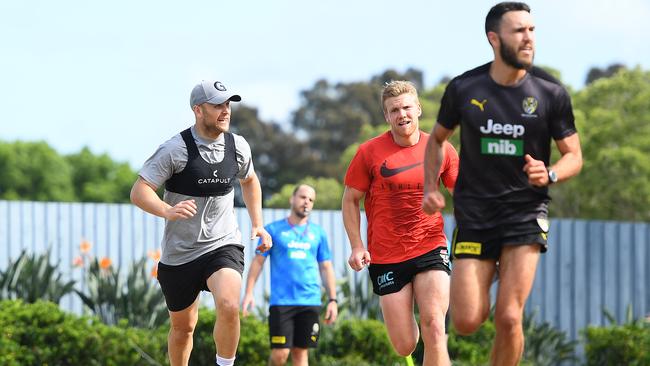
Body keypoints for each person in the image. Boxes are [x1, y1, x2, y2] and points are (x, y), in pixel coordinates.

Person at [421, 2, 583, 365]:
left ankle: (506, 273)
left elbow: (574, 155)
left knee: (509, 316)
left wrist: (551, 173)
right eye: (519, 31)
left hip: (525, 213)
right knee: (465, 320)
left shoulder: (550, 92)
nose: (529, 38)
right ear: (494, 39)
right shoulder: (464, 88)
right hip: (476, 215)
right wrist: (431, 187)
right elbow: (436, 140)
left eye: (532, 30)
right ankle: (492, 269)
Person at [130, 79, 272, 366]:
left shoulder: (238, 146)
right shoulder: (174, 149)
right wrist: (166, 210)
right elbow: (139, 191)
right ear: (198, 110)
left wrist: (258, 223)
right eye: (217, 105)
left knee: (230, 304)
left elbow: (250, 180)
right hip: (180, 253)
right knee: (184, 329)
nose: (225, 110)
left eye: (228, 104)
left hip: (223, 244)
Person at [342, 80, 458, 366]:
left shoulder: (441, 149)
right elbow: (350, 200)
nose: (402, 114)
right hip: (386, 255)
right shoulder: (369, 152)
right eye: (394, 110)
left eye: (407, 107)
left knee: (435, 326)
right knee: (404, 343)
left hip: (430, 245)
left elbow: (465, 196)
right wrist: (357, 246)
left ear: (418, 109)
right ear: (386, 116)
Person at [241, 184, 338, 366]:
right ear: (292, 199)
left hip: (309, 301)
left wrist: (333, 300)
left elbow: (326, 267)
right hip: (282, 302)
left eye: (311, 200)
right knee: (280, 354)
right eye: (302, 197)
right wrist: (248, 293)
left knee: (301, 354)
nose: (306, 202)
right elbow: (258, 262)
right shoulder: (273, 230)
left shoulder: (318, 233)